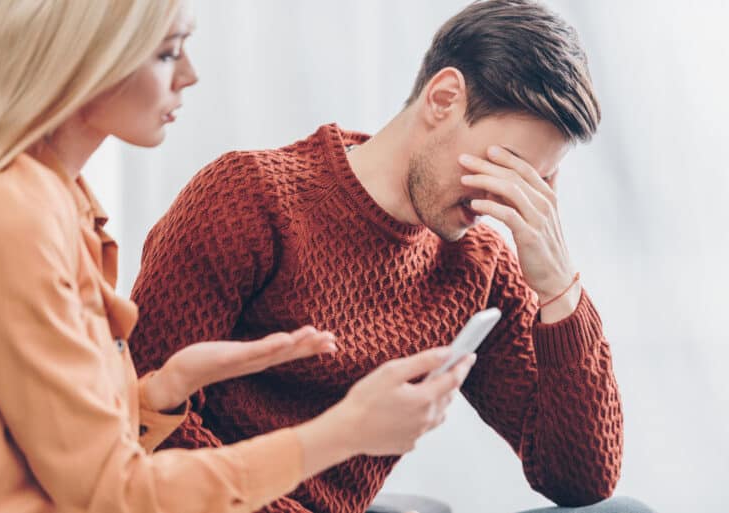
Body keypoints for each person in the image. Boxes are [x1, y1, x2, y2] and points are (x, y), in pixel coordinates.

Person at [128, 1, 656, 513]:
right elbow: (140, 426)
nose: (502, 202)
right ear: (444, 98)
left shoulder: (478, 265)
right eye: (506, 166)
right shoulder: (249, 198)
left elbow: (583, 480)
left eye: (533, 183)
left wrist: (559, 287)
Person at [0, 1, 476, 512]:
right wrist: (339, 434)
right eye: (168, 53)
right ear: (80, 58)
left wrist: (165, 389)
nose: (190, 75)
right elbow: (110, 492)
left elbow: (59, 445)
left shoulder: (60, 202)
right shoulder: (12, 218)